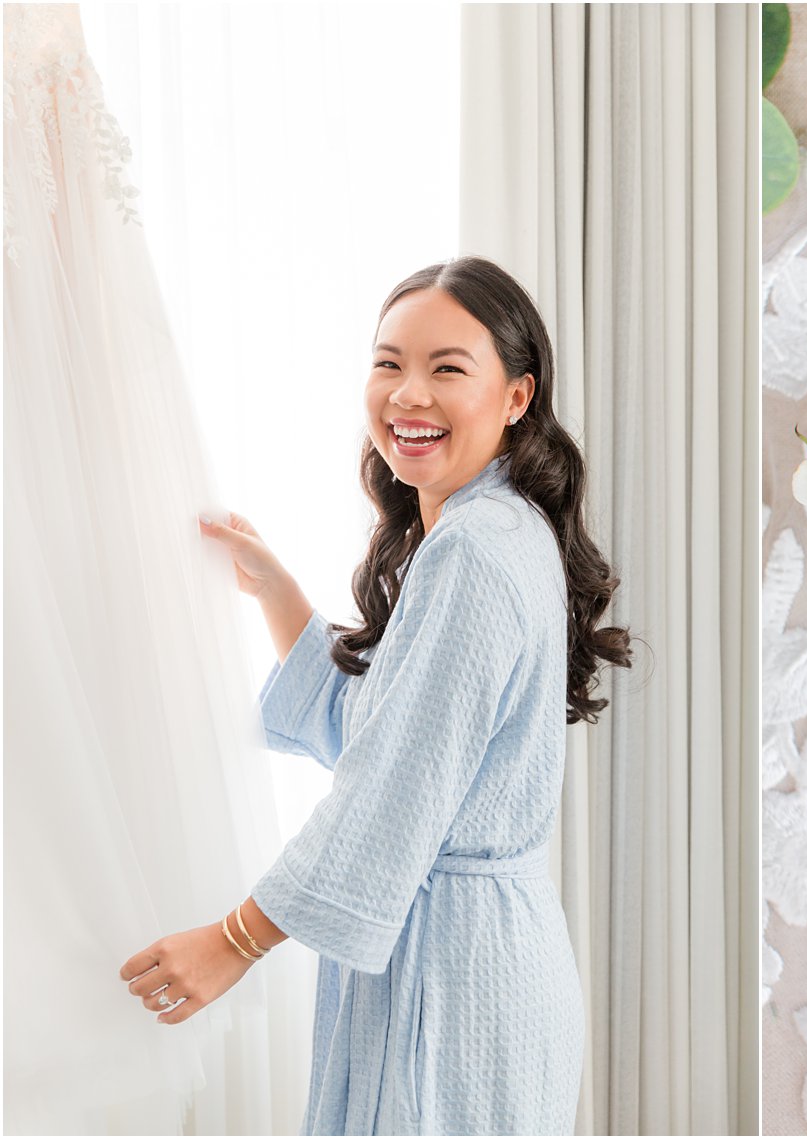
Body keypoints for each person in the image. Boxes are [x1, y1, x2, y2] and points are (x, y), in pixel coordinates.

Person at [117, 256, 631, 1134]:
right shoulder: (490, 529)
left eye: (447, 368)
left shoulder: (475, 550)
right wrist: (281, 596)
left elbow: (392, 789)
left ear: (517, 396)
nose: (408, 394)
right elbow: (391, 731)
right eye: (389, 363)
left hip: (459, 985)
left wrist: (232, 941)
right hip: (476, 963)